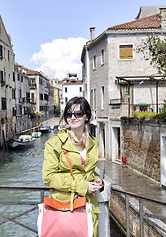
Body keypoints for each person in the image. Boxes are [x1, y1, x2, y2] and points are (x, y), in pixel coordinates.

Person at [42, 96, 104, 237]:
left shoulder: (93, 142)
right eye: (69, 114)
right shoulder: (54, 143)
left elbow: (88, 172)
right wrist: (82, 186)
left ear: (87, 116)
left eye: (78, 114)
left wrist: (98, 182)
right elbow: (48, 178)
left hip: (89, 207)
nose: (73, 117)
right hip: (65, 207)